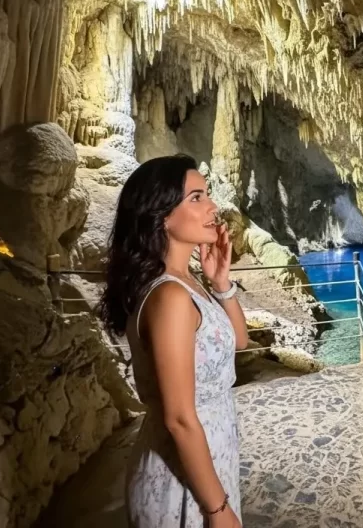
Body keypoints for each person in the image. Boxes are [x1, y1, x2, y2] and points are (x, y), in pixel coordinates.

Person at [98, 154, 250, 528]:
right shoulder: (170, 298)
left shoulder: (186, 284)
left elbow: (240, 343)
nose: (212, 206)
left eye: (207, 194)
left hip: (207, 464)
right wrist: (217, 511)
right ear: (162, 215)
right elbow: (179, 417)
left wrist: (221, 283)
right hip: (181, 480)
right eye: (196, 197)